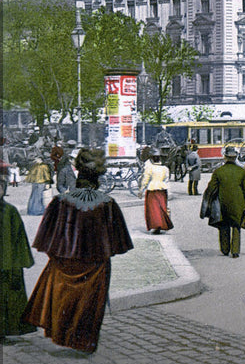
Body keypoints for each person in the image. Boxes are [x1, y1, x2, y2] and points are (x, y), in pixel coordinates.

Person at [21, 148, 134, 353]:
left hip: (64, 264)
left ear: (79, 172)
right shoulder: (108, 204)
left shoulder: (60, 202)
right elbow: (119, 244)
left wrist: (61, 256)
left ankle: (62, 337)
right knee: (90, 304)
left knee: (64, 301)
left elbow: (46, 239)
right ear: (98, 176)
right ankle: (84, 342)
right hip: (96, 266)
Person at [1, 171, 37, 337]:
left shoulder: (10, 211)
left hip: (10, 264)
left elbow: (20, 237)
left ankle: (9, 330)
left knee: (11, 297)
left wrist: (22, 261)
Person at [203, 145, 245, 258]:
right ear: (235, 158)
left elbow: (211, 188)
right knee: (236, 226)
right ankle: (235, 251)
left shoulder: (218, 171)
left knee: (224, 225)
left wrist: (207, 201)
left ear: (225, 157)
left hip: (222, 203)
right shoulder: (241, 172)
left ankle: (225, 249)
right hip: (238, 204)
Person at [137, 147, 174, 235]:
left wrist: (141, 190)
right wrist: (169, 191)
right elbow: (166, 180)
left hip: (152, 189)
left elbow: (145, 180)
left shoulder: (149, 168)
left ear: (151, 159)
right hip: (162, 190)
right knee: (162, 208)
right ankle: (162, 224)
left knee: (153, 209)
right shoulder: (165, 169)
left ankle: (156, 225)